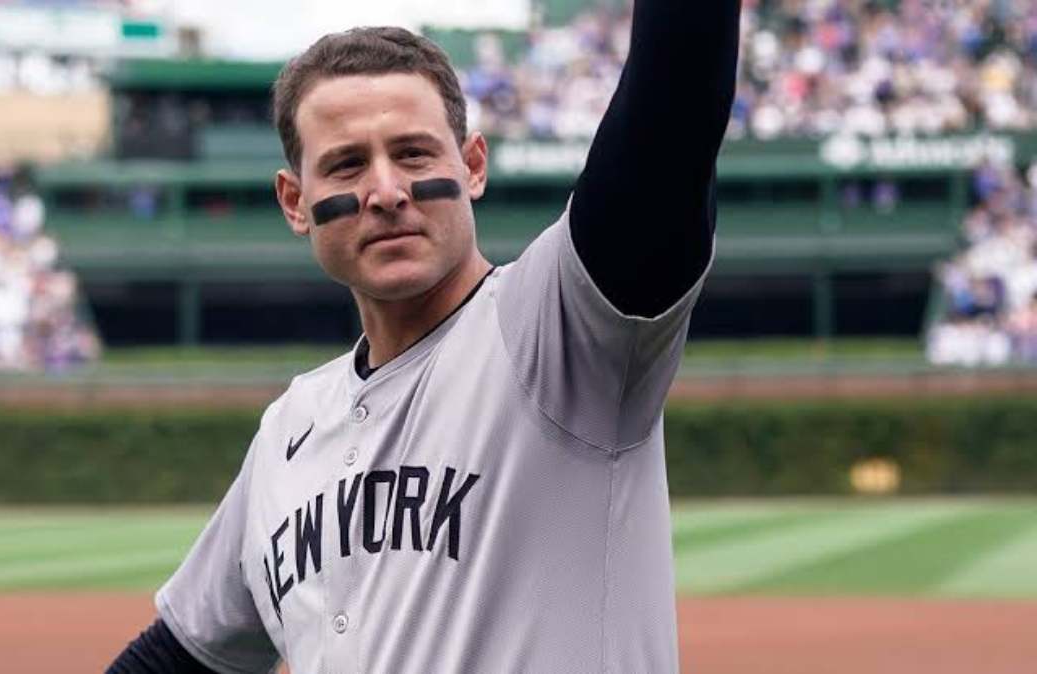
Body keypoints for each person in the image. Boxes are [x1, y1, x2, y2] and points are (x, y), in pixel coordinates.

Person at [108, 1, 739, 671]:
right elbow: (178, 657)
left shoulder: (559, 331)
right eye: (347, 165)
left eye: (412, 153)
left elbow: (671, 116)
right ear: (296, 201)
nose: (385, 191)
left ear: (472, 165)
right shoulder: (288, 430)